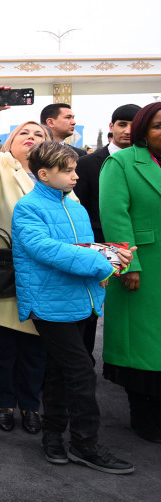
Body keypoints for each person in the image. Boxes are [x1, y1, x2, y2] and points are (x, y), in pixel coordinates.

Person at [13, 141, 135, 474]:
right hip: (49, 304)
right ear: (43, 174)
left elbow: (82, 248)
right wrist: (104, 261)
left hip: (80, 301)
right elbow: (47, 250)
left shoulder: (75, 206)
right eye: (67, 170)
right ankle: (85, 445)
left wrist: (111, 256)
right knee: (81, 372)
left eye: (74, 169)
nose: (75, 176)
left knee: (59, 372)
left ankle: (53, 437)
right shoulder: (28, 207)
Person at [0, 86, 52, 435]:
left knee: (35, 346)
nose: (31, 137)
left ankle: (31, 406)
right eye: (23, 133)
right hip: (2, 270)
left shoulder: (57, 175)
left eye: (39, 134)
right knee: (2, 345)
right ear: (10, 142)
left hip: (44, 274)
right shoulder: (0, 166)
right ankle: (4, 403)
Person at [100, 102, 161, 444]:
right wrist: (127, 265)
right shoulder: (122, 162)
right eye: (158, 125)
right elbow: (115, 215)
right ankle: (145, 417)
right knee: (143, 345)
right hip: (143, 266)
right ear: (142, 130)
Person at [74, 104, 141, 242]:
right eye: (122, 124)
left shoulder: (150, 161)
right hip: (100, 240)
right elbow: (79, 207)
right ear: (111, 127)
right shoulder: (86, 163)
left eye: (134, 126)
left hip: (143, 239)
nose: (128, 131)